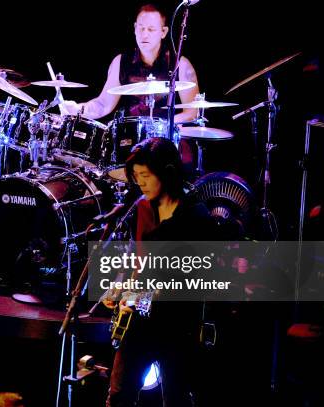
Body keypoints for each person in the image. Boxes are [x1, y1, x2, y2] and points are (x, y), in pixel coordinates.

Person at [106, 137, 218, 407]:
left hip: (177, 321)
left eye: (145, 175)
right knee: (119, 394)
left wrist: (138, 296)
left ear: (167, 173)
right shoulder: (143, 208)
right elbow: (141, 262)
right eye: (136, 177)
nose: (140, 183)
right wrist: (122, 289)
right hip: (142, 315)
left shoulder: (195, 217)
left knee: (176, 396)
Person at [63, 2, 199, 123]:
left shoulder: (180, 65)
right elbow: (103, 105)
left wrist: (162, 127)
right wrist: (77, 109)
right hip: (131, 141)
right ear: (134, 28)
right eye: (141, 28)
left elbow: (192, 112)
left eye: (151, 29)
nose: (144, 34)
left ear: (163, 32)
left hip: (167, 142)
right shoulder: (121, 62)